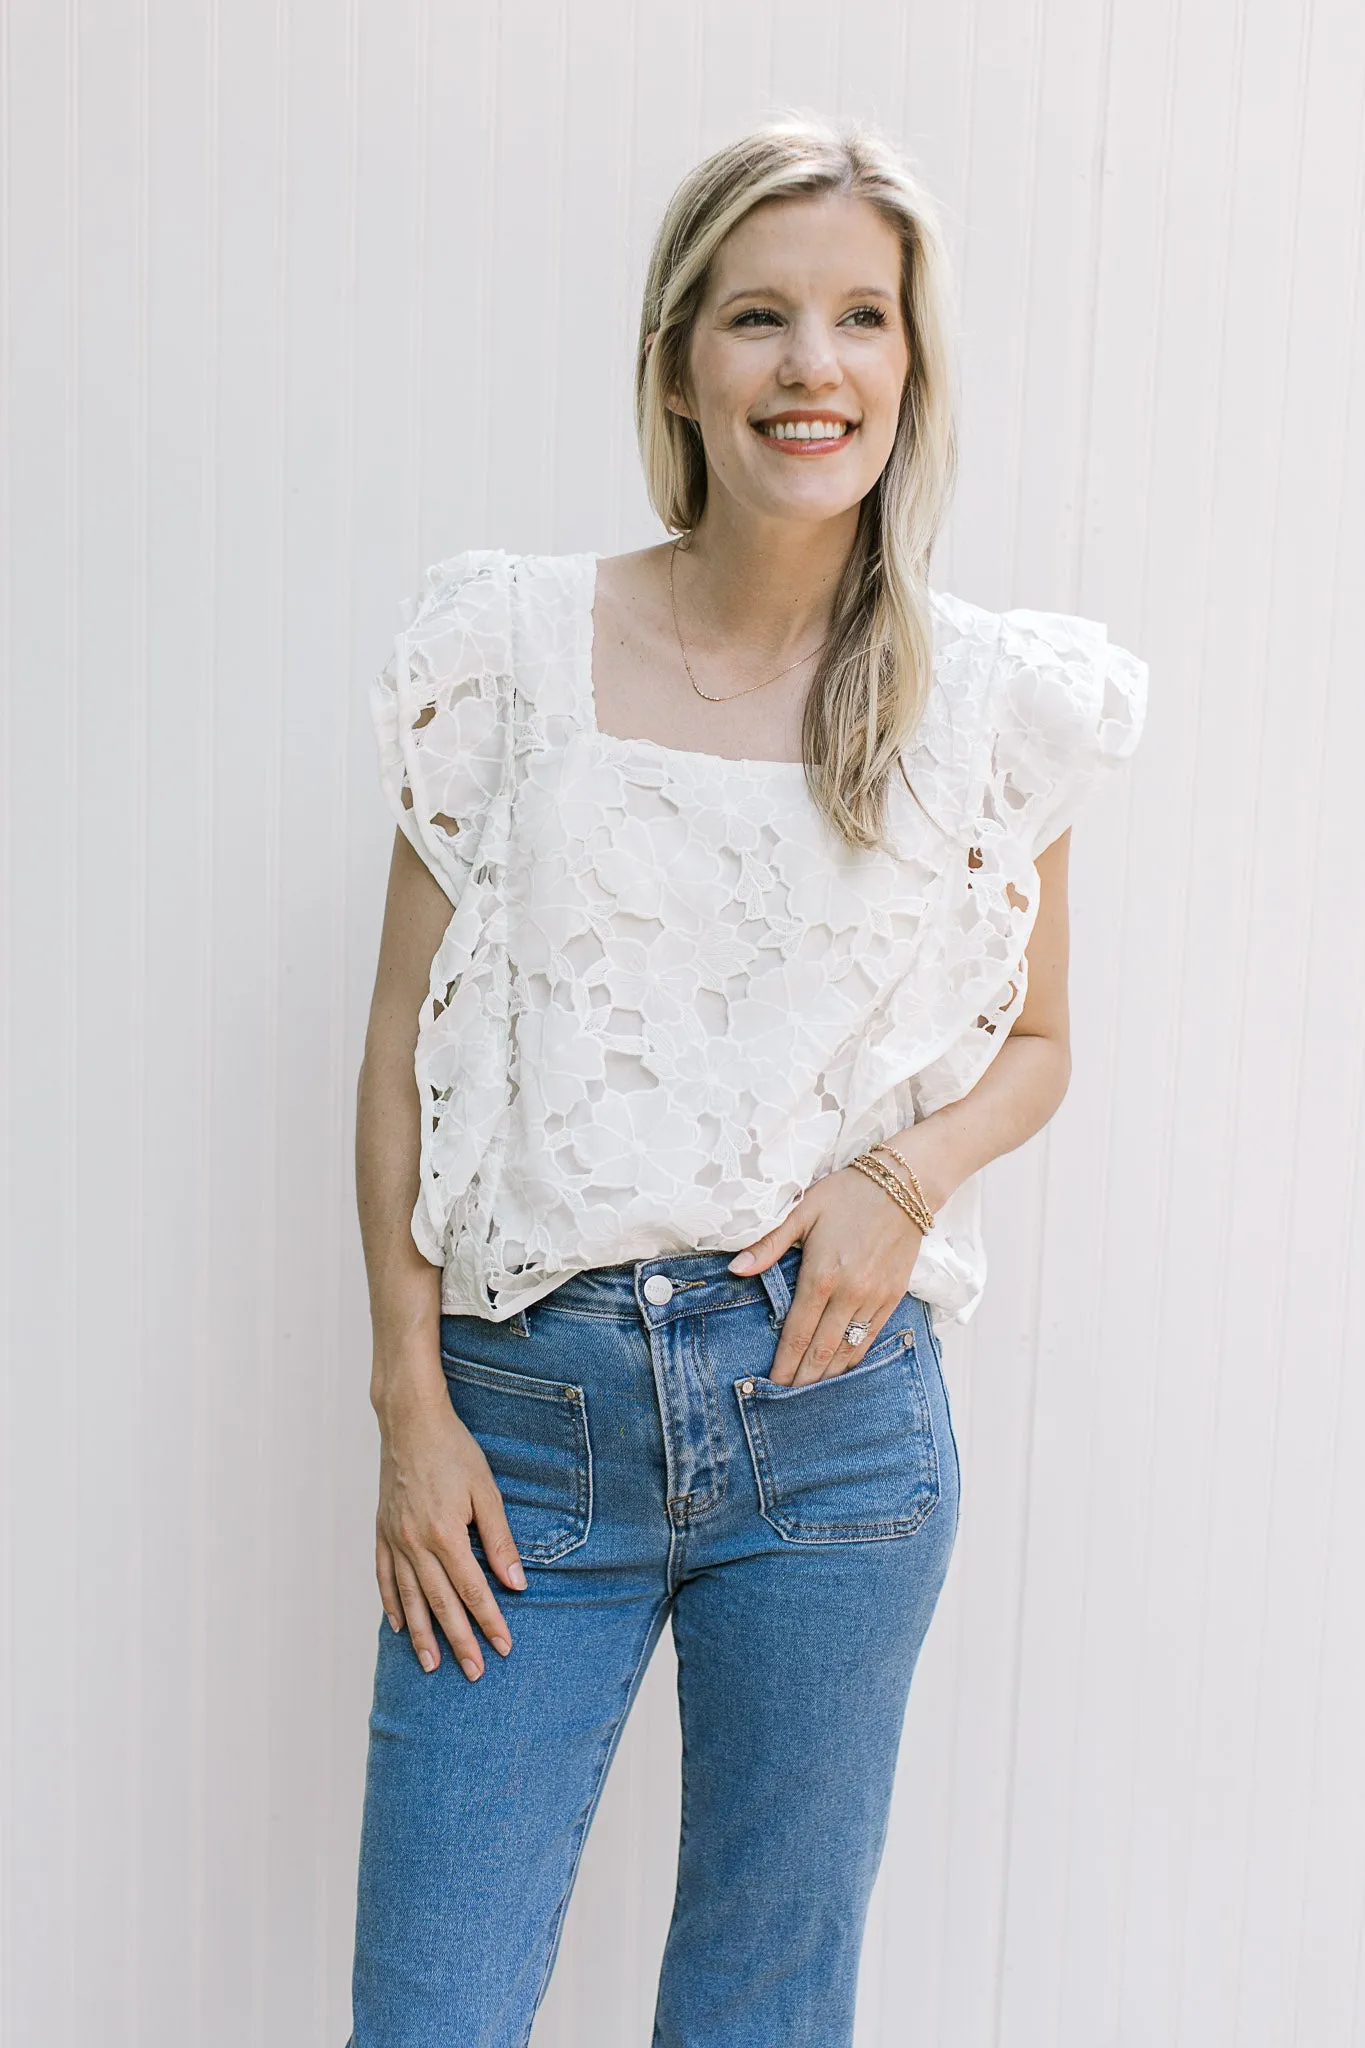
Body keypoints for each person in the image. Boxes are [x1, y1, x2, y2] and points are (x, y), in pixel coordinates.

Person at [346, 116, 1147, 2048]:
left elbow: (1040, 1047)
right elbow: (397, 1050)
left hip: (838, 1434)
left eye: (863, 318)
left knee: (766, 2007)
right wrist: (406, 1403)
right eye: (761, 318)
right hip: (522, 1429)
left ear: (909, 367)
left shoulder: (985, 700)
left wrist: (907, 1177)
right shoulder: (512, 652)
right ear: (678, 365)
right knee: (430, 2009)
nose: (815, 367)